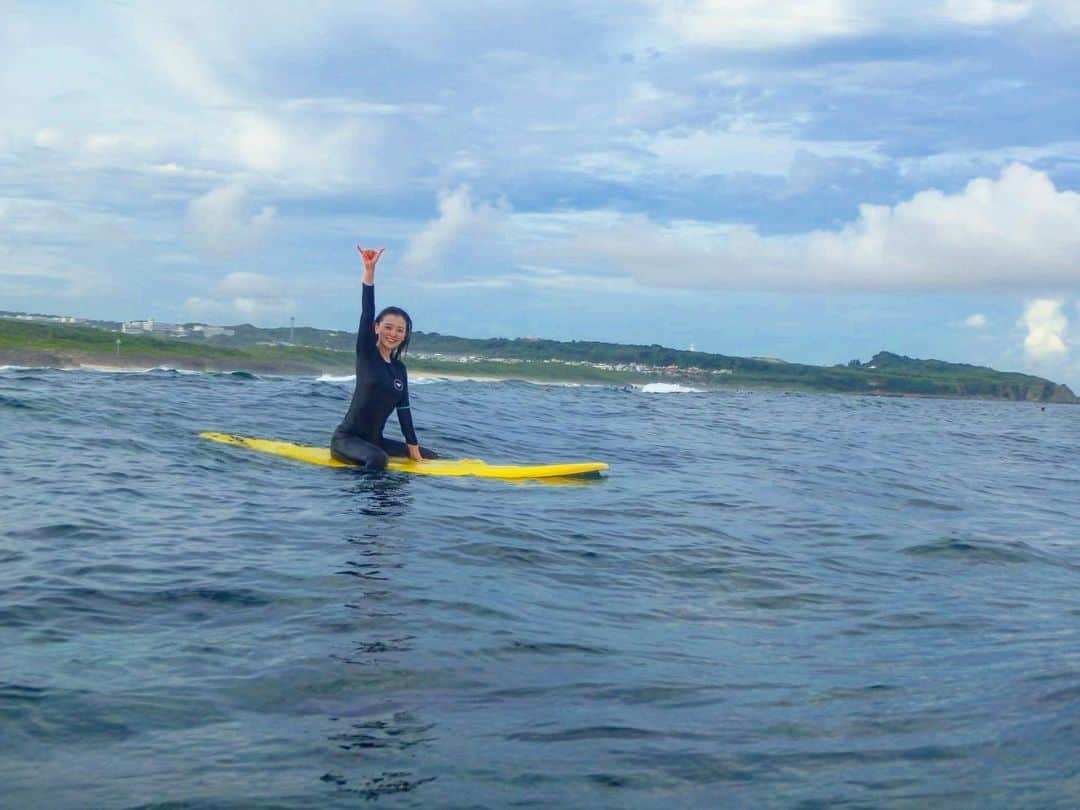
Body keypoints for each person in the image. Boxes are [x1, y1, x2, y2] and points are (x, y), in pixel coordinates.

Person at [330, 245, 437, 469]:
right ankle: (364, 503)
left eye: (400, 330)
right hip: (347, 440)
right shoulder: (367, 354)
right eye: (388, 327)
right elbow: (367, 311)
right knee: (378, 459)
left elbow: (404, 410)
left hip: (375, 441)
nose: (393, 334)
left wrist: (413, 447)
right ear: (376, 328)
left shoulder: (400, 370)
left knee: (431, 456)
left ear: (405, 334)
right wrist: (369, 271)